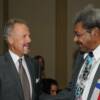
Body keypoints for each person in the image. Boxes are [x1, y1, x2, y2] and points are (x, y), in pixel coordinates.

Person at [39, 5, 100, 100]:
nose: (75, 39)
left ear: (95, 33)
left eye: (78, 35)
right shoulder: (80, 56)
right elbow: (72, 92)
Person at [0, 19, 40, 100]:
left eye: (29, 36)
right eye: (24, 36)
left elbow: (38, 95)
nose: (29, 40)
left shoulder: (34, 64)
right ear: (10, 40)